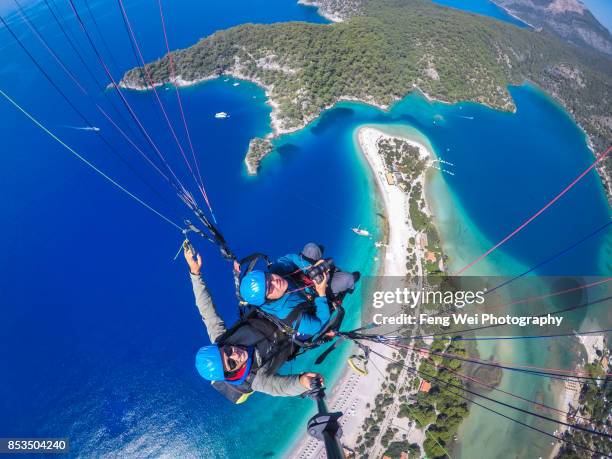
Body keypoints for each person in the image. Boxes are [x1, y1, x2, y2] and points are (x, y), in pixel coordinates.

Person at [184, 246, 323, 403]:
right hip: (293, 332)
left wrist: (195, 273)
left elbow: (206, 310)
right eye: (231, 362)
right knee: (330, 311)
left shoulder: (222, 339)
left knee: (311, 252)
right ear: (229, 373)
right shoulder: (255, 378)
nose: (235, 354)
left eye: (228, 350)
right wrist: (302, 382)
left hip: (273, 309)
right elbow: (280, 387)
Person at [239, 242, 360, 341]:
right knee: (349, 279)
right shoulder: (287, 313)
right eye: (270, 288)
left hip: (306, 281)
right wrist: (321, 294)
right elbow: (319, 325)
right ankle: (348, 286)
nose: (276, 282)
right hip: (316, 298)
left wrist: (310, 268)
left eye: (269, 278)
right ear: (267, 300)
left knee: (312, 248)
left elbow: (290, 258)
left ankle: (327, 269)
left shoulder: (276, 270)